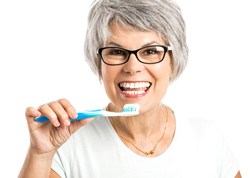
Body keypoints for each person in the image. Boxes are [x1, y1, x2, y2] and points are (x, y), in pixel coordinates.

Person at [18, 0, 241, 177]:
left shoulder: (209, 141)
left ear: (174, 61)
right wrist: (40, 154)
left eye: (151, 51)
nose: (133, 67)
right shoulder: (67, 146)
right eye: (116, 52)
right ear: (99, 63)